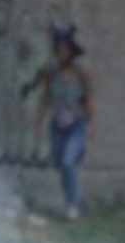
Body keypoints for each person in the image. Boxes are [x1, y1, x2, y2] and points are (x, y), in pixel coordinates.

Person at [33, 21, 94, 220]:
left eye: (65, 49)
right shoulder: (51, 74)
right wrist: (38, 124)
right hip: (57, 127)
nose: (62, 53)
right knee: (61, 164)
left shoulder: (81, 74)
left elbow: (88, 101)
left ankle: (73, 205)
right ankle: (69, 199)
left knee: (69, 161)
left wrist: (90, 128)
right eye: (59, 49)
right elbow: (44, 100)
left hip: (76, 125)